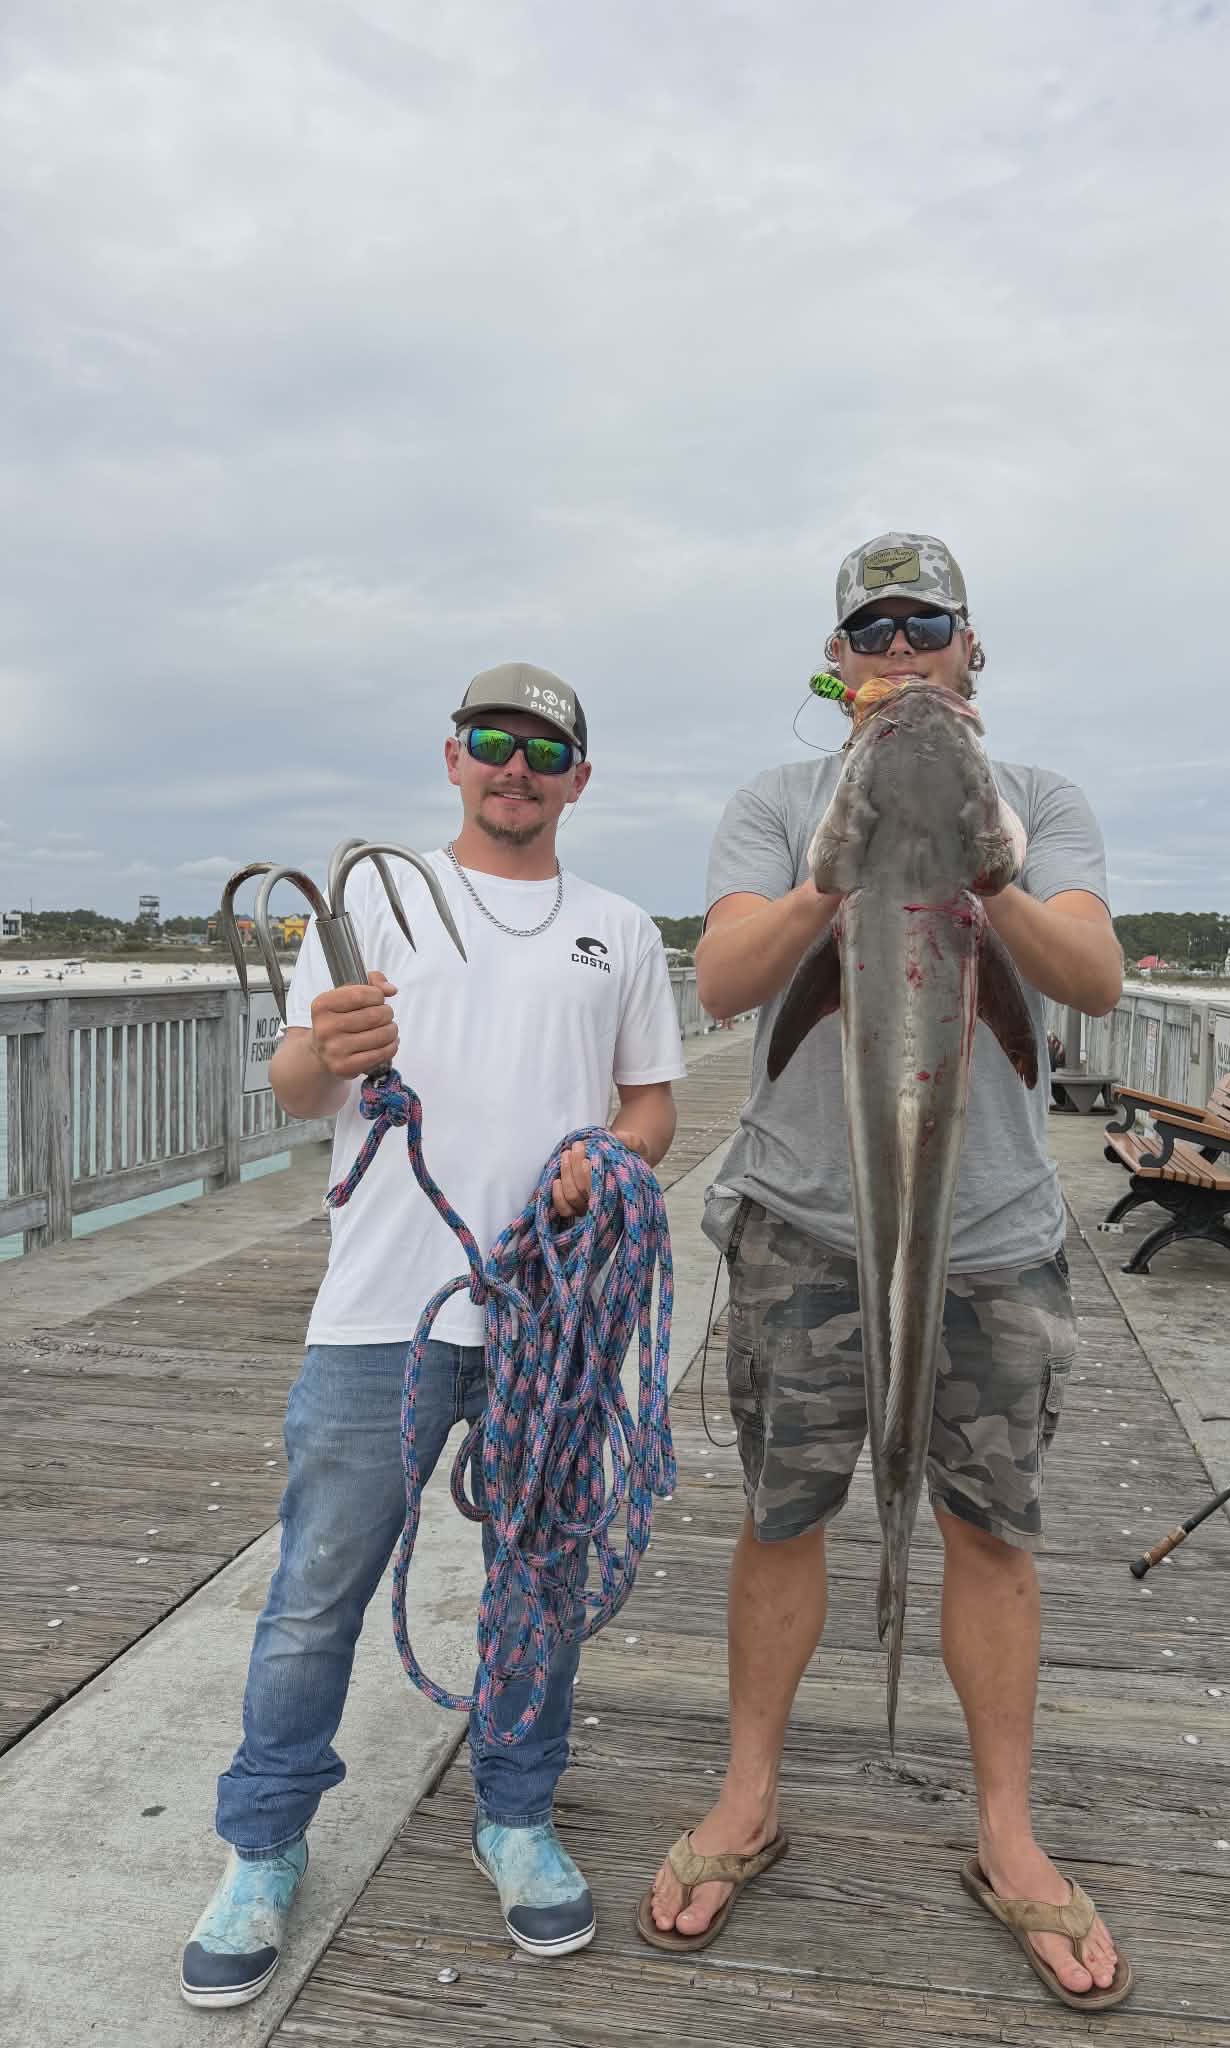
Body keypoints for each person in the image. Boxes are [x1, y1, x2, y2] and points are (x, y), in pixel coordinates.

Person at [640, 535, 1131, 2011]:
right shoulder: (774, 803)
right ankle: (748, 1797)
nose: (902, 650)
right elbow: (729, 980)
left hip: (993, 1238)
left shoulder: (1038, 803)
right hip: (803, 1227)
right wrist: (836, 872)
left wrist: (986, 872)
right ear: (836, 661)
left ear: (974, 648)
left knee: (990, 1527)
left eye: (928, 625)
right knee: (783, 1509)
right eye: (874, 630)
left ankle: (1006, 1832)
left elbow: (1090, 978)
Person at [181, 662, 686, 2007]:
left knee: (538, 1587)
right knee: (314, 1597)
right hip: (374, 1318)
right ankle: (261, 1846)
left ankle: (514, 1818)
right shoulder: (361, 911)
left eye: (545, 750)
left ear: (580, 779)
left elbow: (651, 1105)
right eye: (492, 740)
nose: (517, 765)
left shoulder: (620, 930)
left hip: (547, 1321)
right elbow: (297, 1090)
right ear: (453, 757)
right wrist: (326, 1046)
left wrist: (608, 1158)